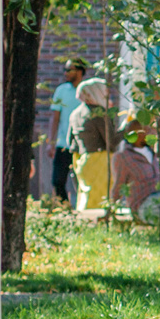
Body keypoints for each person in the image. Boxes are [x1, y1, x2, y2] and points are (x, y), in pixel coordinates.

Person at [68, 77, 118, 211]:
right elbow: (112, 142)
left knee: (86, 199)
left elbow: (70, 142)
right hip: (101, 162)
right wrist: (128, 127)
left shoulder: (75, 114)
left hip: (83, 161)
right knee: (101, 204)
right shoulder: (99, 113)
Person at [47, 58, 87, 202]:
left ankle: (82, 212)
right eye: (65, 70)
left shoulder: (87, 91)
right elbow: (55, 118)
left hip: (82, 147)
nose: (65, 73)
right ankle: (64, 210)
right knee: (57, 181)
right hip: (63, 144)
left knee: (83, 183)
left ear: (80, 71)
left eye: (69, 70)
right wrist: (50, 142)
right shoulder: (61, 90)